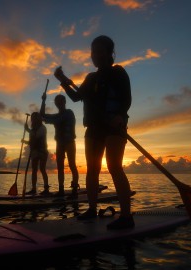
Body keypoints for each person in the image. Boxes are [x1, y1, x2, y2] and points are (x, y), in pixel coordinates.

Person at [54, 35, 134, 230]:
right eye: (92, 51)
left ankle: (126, 216)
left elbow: (126, 99)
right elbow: (75, 97)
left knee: (115, 166)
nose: (94, 55)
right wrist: (63, 80)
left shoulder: (119, 73)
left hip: (114, 125)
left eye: (99, 51)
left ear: (109, 53)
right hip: (94, 128)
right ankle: (91, 208)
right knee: (92, 169)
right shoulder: (91, 78)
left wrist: (121, 116)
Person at [40, 93, 79, 197]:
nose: (59, 104)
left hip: (70, 142)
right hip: (60, 143)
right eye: (57, 102)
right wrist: (43, 100)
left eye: (61, 102)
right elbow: (42, 114)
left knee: (72, 165)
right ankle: (61, 190)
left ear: (64, 102)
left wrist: (47, 120)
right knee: (60, 167)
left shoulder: (69, 113)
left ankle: (75, 188)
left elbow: (57, 120)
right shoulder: (57, 115)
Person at [23, 112, 50, 195]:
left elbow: (35, 139)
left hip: (42, 151)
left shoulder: (42, 128)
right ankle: (34, 189)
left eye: (35, 118)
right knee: (34, 170)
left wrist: (26, 138)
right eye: (33, 119)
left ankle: (46, 189)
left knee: (42, 169)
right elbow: (33, 136)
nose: (33, 120)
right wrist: (27, 130)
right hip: (34, 151)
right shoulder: (33, 129)